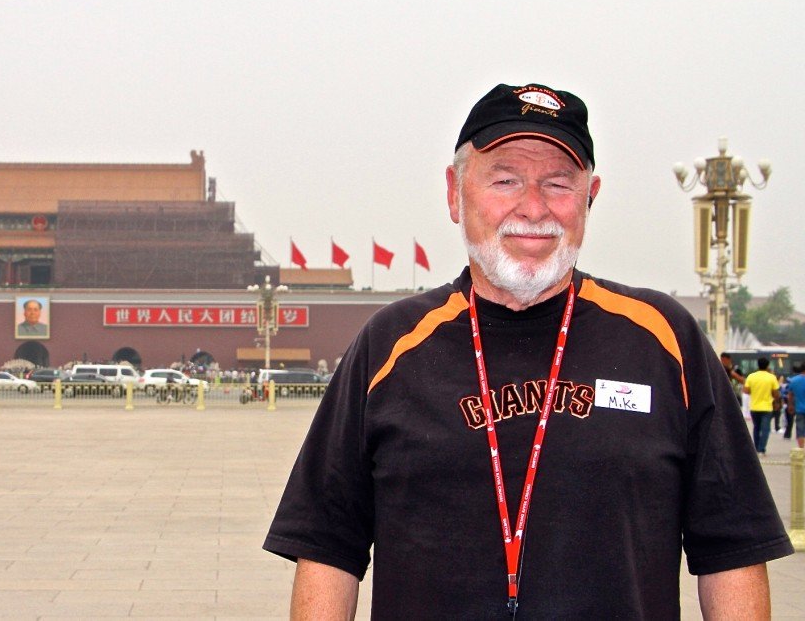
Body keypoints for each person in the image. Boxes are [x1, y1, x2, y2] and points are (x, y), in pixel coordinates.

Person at [264, 83, 792, 618]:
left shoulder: (663, 339)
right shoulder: (390, 346)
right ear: (455, 192)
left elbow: (733, 547)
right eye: (505, 179)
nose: (533, 207)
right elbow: (328, 549)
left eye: (559, 183)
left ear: (590, 196)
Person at [744, 357, 780, 455]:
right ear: (768, 366)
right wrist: (776, 402)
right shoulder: (771, 377)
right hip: (767, 408)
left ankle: (756, 448)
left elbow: (746, 391)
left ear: (758, 365)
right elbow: (776, 394)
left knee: (756, 428)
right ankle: (762, 449)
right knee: (765, 429)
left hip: (754, 407)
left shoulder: (751, 376)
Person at [787, 363, 805, 447]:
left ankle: (801, 449)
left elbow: (790, 395)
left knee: (800, 430)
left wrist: (790, 406)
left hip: (799, 409)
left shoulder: (794, 380)